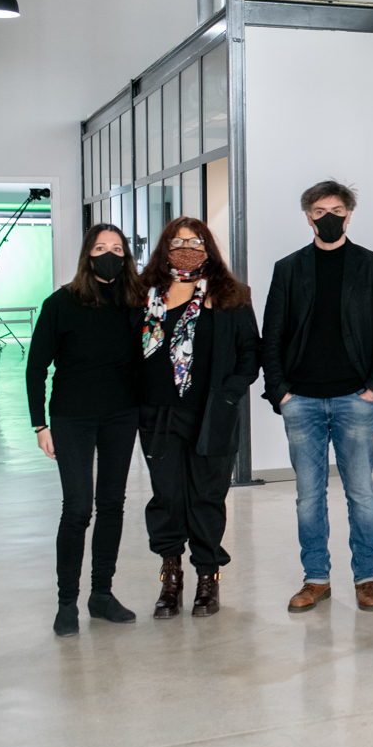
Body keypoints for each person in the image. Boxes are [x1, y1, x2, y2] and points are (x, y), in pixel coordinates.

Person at [261, 180, 373, 614]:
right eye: (319, 211)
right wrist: (280, 392)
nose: (328, 218)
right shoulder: (288, 268)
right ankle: (316, 579)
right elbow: (272, 335)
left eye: (336, 210)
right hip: (300, 399)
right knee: (308, 496)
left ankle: (366, 579)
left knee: (361, 494)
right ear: (308, 217)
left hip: (355, 398)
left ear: (349, 215)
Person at [139, 218, 261, 619]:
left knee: (207, 498)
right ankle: (170, 577)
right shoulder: (143, 293)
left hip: (211, 414)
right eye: (178, 242)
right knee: (167, 497)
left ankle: (208, 577)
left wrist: (228, 394)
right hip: (158, 415)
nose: (186, 249)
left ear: (208, 248)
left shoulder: (231, 295)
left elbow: (250, 354)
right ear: (165, 247)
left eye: (195, 242)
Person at [27, 224, 144, 637]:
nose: (109, 254)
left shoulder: (135, 302)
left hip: (121, 415)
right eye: (100, 247)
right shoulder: (61, 302)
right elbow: (36, 367)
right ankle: (66, 603)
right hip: (71, 417)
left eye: (117, 248)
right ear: (87, 255)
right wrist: (39, 424)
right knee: (78, 508)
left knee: (112, 504)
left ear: (126, 256)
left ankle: (102, 595)